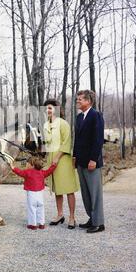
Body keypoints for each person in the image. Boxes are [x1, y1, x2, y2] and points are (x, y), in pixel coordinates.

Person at [43, 99, 80, 229]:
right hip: (51, 159)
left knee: (68, 189)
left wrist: (57, 157)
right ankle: (60, 214)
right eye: (46, 108)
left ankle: (72, 217)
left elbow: (67, 142)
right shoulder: (46, 125)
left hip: (63, 160)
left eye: (50, 108)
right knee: (57, 189)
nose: (48, 110)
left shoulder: (63, 124)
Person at [73, 90, 105, 233]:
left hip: (92, 162)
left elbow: (98, 140)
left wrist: (93, 159)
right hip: (80, 161)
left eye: (80, 99)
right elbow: (77, 139)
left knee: (95, 193)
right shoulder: (79, 117)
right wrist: (74, 156)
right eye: (77, 99)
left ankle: (99, 223)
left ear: (88, 101)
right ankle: (92, 219)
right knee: (86, 193)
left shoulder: (96, 116)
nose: (77, 101)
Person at [10, 156, 57, 230]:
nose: (26, 165)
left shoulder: (27, 172)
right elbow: (49, 171)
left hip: (31, 194)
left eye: (27, 163)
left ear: (31, 164)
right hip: (40, 194)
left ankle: (33, 224)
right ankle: (41, 224)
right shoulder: (42, 172)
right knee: (40, 209)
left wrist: (13, 168)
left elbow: (20, 172)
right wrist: (54, 165)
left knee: (32, 209)